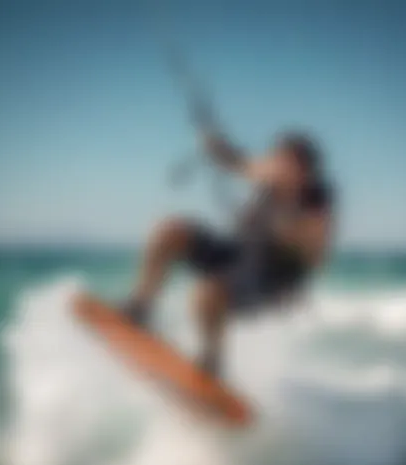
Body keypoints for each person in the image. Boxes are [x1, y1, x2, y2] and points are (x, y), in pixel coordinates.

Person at [122, 129, 335, 378]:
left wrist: (285, 215)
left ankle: (212, 361)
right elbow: (240, 163)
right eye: (276, 157)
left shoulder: (317, 201)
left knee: (207, 291)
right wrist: (216, 148)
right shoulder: (269, 173)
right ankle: (140, 308)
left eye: (285, 162)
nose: (275, 165)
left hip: (271, 277)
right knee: (168, 231)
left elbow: (314, 251)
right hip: (236, 252)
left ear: (305, 172)